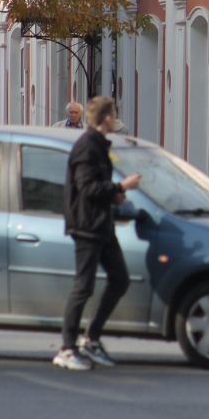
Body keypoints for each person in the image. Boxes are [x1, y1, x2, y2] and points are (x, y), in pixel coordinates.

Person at [54, 97, 142, 371]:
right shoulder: (87, 146)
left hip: (102, 223)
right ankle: (67, 348)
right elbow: (87, 187)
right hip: (87, 225)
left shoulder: (100, 145)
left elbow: (97, 185)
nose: (116, 121)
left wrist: (115, 196)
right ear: (106, 119)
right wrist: (120, 187)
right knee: (83, 286)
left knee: (120, 279)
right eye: (113, 115)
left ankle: (91, 339)